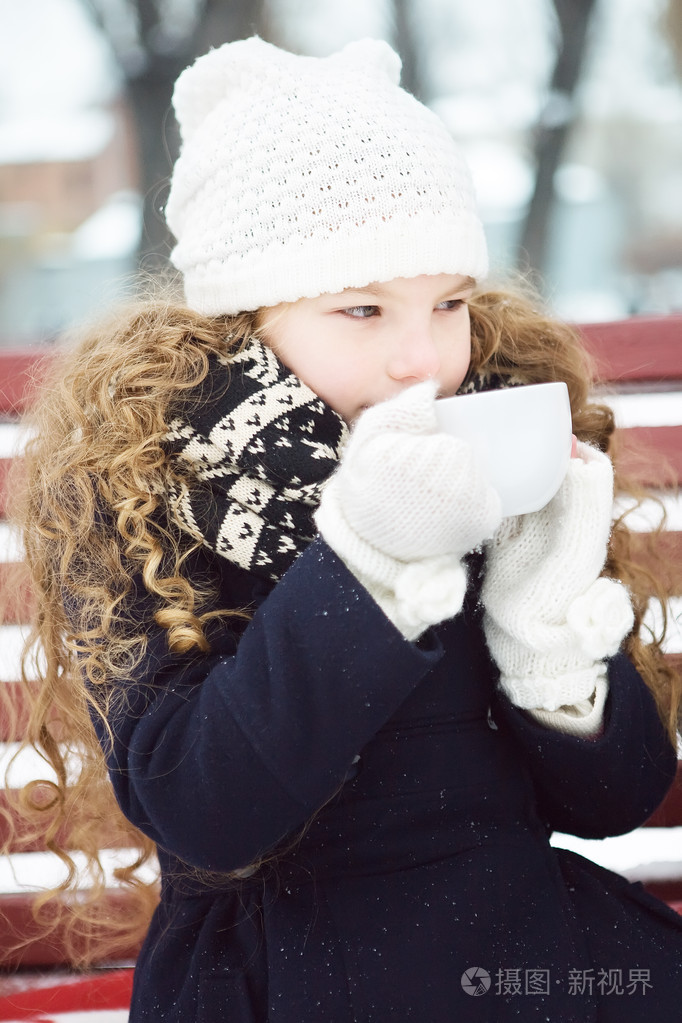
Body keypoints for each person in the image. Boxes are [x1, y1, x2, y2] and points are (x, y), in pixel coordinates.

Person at [5, 35, 682, 1023]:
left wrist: (548, 638)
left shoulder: (492, 438)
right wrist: (369, 565)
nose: (422, 357)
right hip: (282, 975)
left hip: (527, 960)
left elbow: (613, 799)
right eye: (361, 309)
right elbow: (207, 811)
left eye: (447, 302)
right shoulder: (146, 483)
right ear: (243, 320)